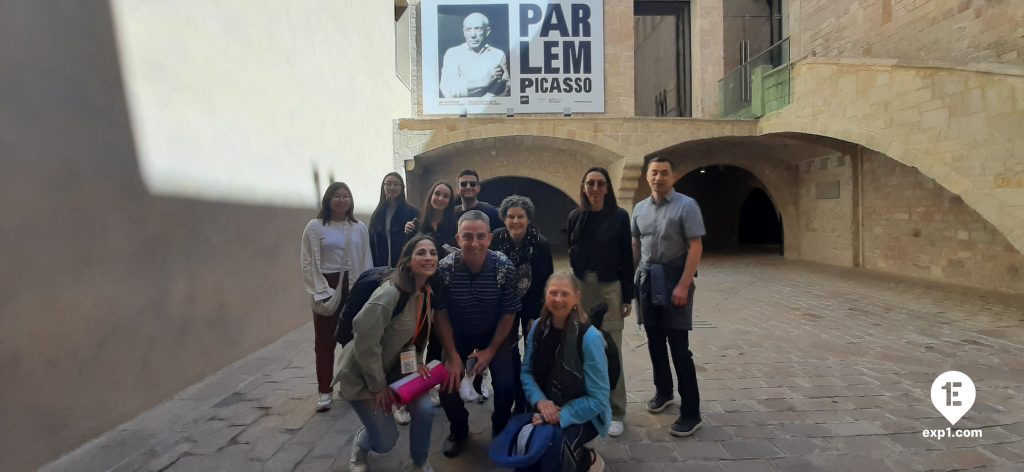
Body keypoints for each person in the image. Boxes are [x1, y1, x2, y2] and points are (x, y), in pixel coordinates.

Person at [335, 235, 440, 472]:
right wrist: (378, 386)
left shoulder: (425, 293)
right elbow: (363, 333)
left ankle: (420, 462)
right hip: (362, 375)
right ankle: (362, 444)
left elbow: (412, 337)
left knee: (424, 409)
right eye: (421, 252)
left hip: (396, 368)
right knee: (384, 443)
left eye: (432, 252)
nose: (428, 257)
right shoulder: (391, 293)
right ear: (408, 260)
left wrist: (418, 363)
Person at [433, 210, 522, 458]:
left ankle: (501, 427)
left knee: (505, 385)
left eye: (480, 236)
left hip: (494, 334)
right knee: (447, 386)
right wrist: (452, 355)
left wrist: (491, 351)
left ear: (489, 238)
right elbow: (440, 313)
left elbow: (508, 313)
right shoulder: (445, 270)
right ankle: (459, 430)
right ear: (458, 238)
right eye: (468, 236)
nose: (474, 243)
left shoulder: (504, 267)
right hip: (459, 333)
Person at [632, 157, 706, 437]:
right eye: (654, 173)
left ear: (673, 176)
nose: (658, 177)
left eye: (664, 173)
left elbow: (695, 246)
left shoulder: (686, 206)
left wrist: (683, 285)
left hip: (675, 277)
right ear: (647, 176)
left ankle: (692, 412)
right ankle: (663, 391)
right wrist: (632, 281)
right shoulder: (639, 208)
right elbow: (636, 243)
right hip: (648, 280)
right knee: (654, 341)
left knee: (679, 347)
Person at [565, 167, 634, 438]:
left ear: (607, 188)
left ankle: (616, 410)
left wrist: (627, 295)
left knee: (611, 349)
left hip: (609, 287)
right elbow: (572, 249)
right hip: (582, 287)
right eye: (589, 183)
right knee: (583, 346)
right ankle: (591, 404)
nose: (594, 188)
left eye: (599, 183)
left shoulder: (619, 217)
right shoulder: (575, 217)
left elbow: (627, 258)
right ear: (583, 187)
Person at [520, 271, 610, 472]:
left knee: (552, 454)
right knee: (527, 454)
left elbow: (599, 398)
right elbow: (526, 372)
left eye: (565, 294)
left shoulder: (590, 338)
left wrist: (562, 414)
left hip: (582, 413)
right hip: (544, 406)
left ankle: (586, 459)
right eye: (553, 293)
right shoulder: (537, 328)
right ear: (545, 295)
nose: (558, 299)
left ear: (577, 297)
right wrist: (541, 402)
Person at [300, 182, 373, 412]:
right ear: (328, 199)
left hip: (355, 286)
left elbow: (365, 258)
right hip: (327, 287)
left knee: (353, 339)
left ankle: (352, 384)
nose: (342, 200)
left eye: (346, 196)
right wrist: (321, 289)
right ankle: (324, 390)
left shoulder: (359, 227)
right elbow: (307, 261)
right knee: (324, 341)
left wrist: (367, 289)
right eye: (337, 196)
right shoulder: (314, 227)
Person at [492, 195, 554, 417]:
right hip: (504, 305)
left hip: (531, 304)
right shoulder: (496, 238)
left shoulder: (541, 244)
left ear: (528, 219)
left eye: (520, 217)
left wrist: (536, 315)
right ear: (503, 218)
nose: (515, 221)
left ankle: (529, 400)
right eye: (510, 216)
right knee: (508, 352)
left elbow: (546, 281)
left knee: (532, 352)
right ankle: (513, 394)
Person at [439, 12, 510, 98]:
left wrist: (482, 103)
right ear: (464, 32)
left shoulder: (498, 54)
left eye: (478, 29)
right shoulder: (452, 54)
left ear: (487, 32)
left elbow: (505, 89)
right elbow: (448, 91)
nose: (472, 35)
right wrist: (483, 82)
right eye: (468, 30)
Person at [369, 172, 420, 268]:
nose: (392, 187)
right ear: (383, 187)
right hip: (381, 268)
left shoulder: (412, 212)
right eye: (388, 184)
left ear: (402, 187)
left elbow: (420, 238)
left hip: (404, 267)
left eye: (396, 184)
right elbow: (371, 242)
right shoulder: (377, 214)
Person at [404, 181, 458, 259]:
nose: (440, 198)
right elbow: (407, 255)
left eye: (445, 196)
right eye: (437, 194)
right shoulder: (416, 226)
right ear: (431, 196)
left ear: (450, 201)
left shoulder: (455, 227)